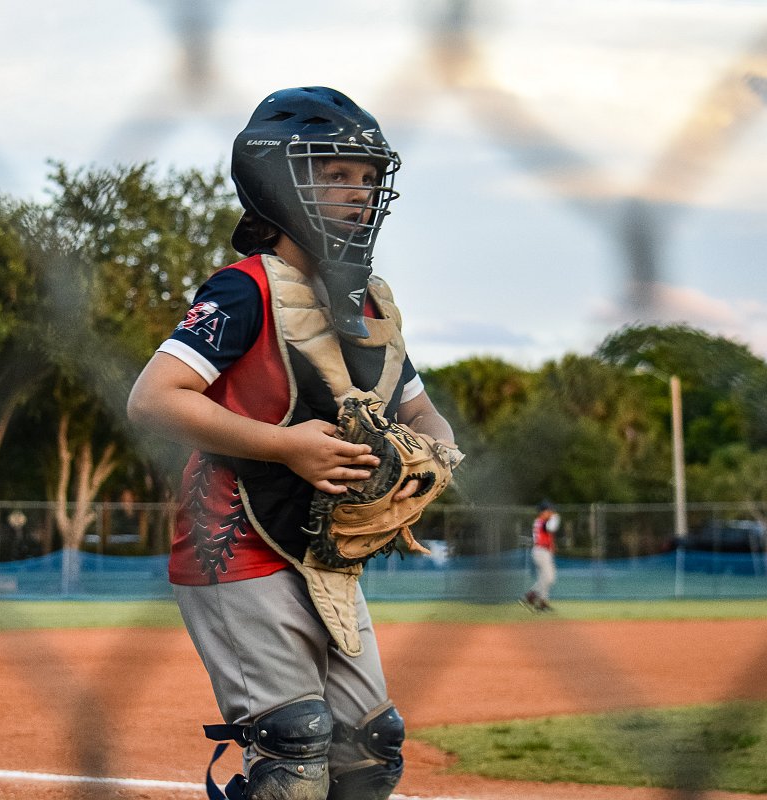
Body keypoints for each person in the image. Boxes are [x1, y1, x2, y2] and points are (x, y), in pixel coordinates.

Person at [127, 87, 459, 800]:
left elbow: (426, 415)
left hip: (323, 552)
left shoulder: (368, 305)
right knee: (295, 741)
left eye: (368, 178)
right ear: (276, 183)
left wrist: (431, 462)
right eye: (335, 174)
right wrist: (287, 447)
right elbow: (153, 399)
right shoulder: (245, 289)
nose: (359, 194)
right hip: (233, 544)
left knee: (370, 747)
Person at [523, 500, 560, 612]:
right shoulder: (542, 522)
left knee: (544, 577)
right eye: (549, 510)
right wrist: (555, 518)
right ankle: (530, 595)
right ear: (543, 511)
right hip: (541, 551)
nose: (551, 512)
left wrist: (552, 546)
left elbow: (548, 533)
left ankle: (542, 602)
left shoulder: (541, 522)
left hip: (542, 551)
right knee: (549, 578)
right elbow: (551, 528)